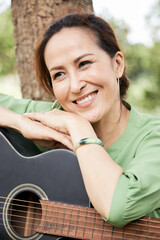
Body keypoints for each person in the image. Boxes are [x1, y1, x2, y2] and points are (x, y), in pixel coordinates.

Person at [0, 13, 160, 228]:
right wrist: (18, 122)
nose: (75, 86)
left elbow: (117, 207)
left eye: (84, 63)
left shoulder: (153, 138)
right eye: (59, 75)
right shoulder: (48, 121)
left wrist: (79, 128)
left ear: (118, 65)